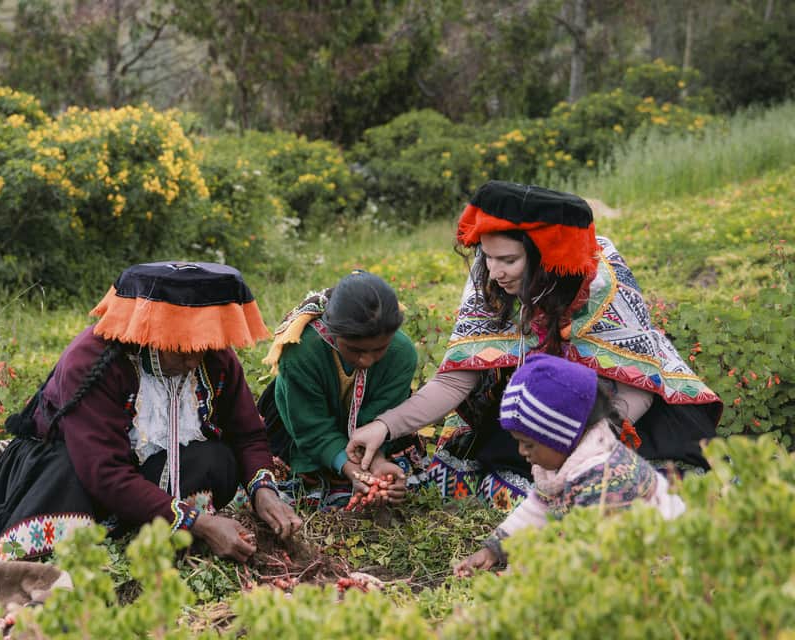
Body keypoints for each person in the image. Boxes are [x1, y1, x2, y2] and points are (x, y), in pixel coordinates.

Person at [347, 180, 721, 511]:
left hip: (618, 408)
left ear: (547, 256)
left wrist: (586, 444)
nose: (494, 271)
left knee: (663, 471)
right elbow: (457, 380)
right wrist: (384, 426)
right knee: (516, 464)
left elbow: (637, 385)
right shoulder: (489, 277)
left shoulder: (604, 279)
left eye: (508, 260)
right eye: (488, 257)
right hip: (540, 405)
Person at [0, 262, 302, 574]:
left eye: (205, 347)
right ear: (152, 332)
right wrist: (199, 522)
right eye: (185, 349)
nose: (196, 361)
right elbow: (105, 472)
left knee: (217, 459)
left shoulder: (215, 359)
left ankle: (153, 524)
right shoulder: (92, 362)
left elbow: (248, 435)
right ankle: (115, 538)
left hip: (142, 475)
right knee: (67, 476)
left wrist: (264, 491)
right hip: (76, 475)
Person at [453, 354, 686, 575]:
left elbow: (585, 551)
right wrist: (494, 549)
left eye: (529, 444)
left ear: (559, 436)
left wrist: (524, 578)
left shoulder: (605, 476)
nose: (521, 452)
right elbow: (538, 508)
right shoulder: (565, 457)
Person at [257, 271, 424, 509]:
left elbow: (382, 418)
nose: (366, 360)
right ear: (333, 333)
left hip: (371, 433)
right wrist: (350, 468)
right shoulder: (301, 352)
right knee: (290, 487)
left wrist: (376, 461)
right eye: (355, 349)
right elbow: (311, 427)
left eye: (379, 349)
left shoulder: (401, 353)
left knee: (397, 485)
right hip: (301, 425)